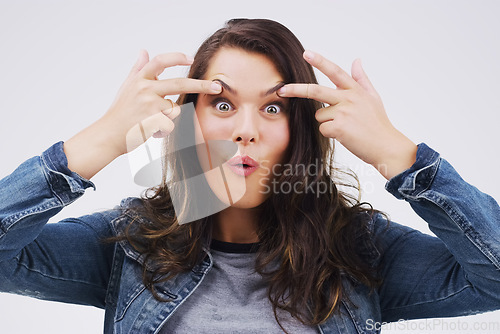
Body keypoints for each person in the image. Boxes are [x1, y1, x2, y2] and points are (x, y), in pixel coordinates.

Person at [0, 18, 499, 334]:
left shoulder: (360, 249)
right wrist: (101, 139)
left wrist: (401, 154)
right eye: (221, 103)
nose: (245, 130)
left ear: (302, 126)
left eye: (274, 108)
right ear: (188, 118)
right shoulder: (130, 245)